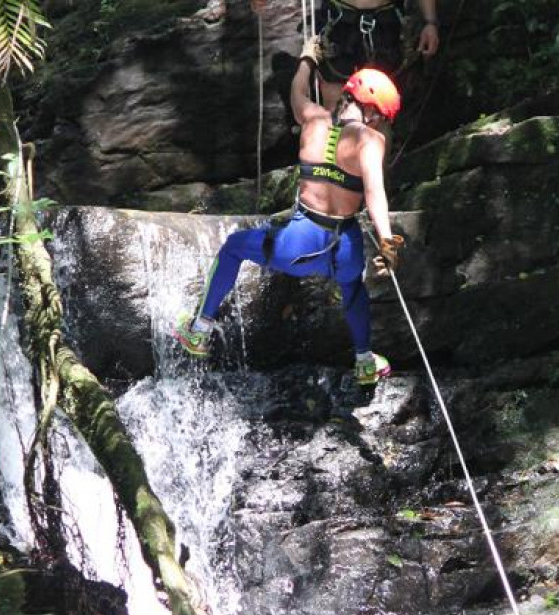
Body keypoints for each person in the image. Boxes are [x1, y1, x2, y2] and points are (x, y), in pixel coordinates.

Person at [173, 41, 405, 386]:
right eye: (379, 116)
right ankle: (364, 360)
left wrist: (307, 59)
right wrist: (388, 242)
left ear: (347, 95)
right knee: (353, 287)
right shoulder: (371, 141)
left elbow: (297, 90)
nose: (378, 123)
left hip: (299, 245)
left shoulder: (311, 119)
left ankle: (199, 330)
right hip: (345, 248)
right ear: (371, 111)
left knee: (234, 247)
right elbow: (374, 193)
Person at [314, 0, 440, 110]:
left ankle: (376, 136)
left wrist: (430, 22)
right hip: (339, 22)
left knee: (382, 104)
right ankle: (336, 135)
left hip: (385, 23)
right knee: (335, 102)